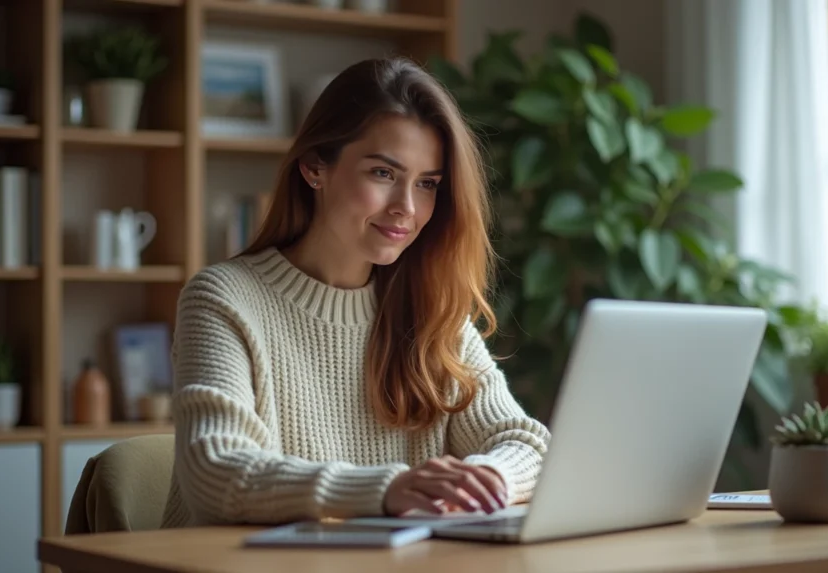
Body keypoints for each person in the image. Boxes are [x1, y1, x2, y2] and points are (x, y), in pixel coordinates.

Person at [160, 56, 550, 528]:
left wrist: (487, 477)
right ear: (313, 167)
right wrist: (387, 489)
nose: (407, 208)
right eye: (383, 174)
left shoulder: (430, 309)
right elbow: (216, 473)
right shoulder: (223, 299)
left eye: (427, 184)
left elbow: (525, 442)